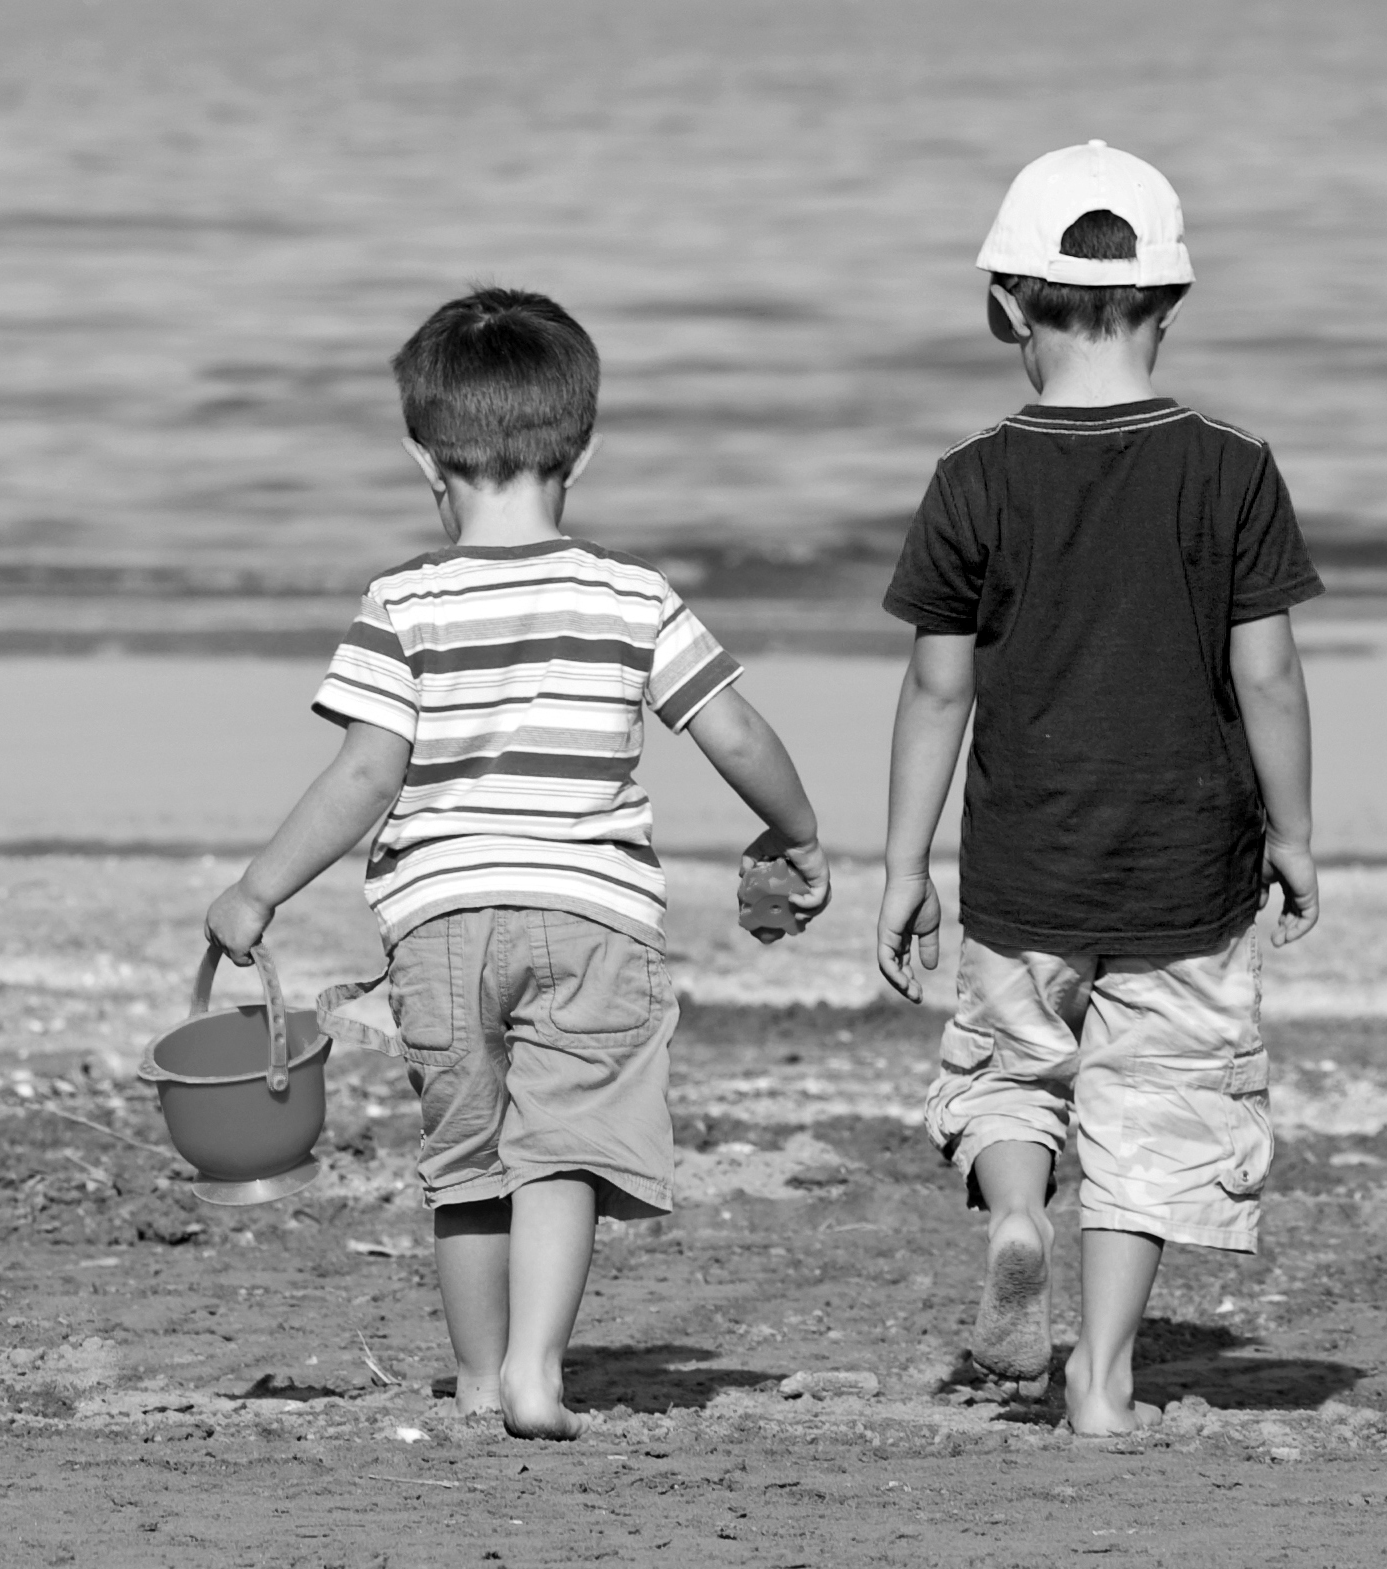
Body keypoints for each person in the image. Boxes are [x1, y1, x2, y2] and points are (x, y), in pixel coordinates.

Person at [203, 286, 829, 1440]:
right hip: (591, 918)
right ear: (581, 451)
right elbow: (734, 732)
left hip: (440, 928)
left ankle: (480, 1379)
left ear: (421, 458)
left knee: (466, 1161)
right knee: (566, 1144)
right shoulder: (632, 595)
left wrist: (257, 889)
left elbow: (364, 774)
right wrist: (797, 834)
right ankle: (540, 1370)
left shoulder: (402, 601)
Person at [873, 142, 1324, 1436]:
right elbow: (1268, 674)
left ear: (1004, 306)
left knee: (1012, 1079)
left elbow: (936, 691)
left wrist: (902, 865)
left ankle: (1017, 1213)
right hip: (1189, 870)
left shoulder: (971, 477)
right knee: (1152, 1112)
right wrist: (1293, 833)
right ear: (1170, 303)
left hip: (1025, 866)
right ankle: (1104, 1378)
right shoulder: (1231, 466)